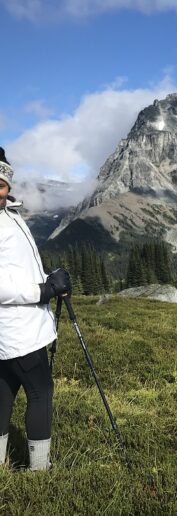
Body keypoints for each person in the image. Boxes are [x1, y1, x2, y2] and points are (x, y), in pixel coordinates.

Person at [0, 148, 71, 471]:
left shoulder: (10, 215)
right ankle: (40, 471)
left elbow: (19, 268)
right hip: (19, 328)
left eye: (0, 183)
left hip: (17, 326)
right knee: (41, 392)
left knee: (4, 391)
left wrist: (49, 278)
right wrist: (43, 290)